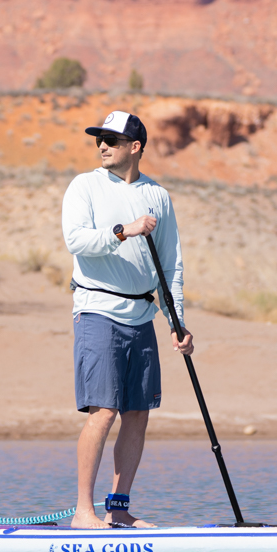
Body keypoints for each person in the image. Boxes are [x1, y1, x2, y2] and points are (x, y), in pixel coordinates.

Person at [62, 110, 194, 530]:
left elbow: (171, 264)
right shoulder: (84, 186)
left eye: (112, 140)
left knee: (137, 413)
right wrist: (125, 230)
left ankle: (117, 508)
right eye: (99, 139)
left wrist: (178, 321)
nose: (103, 145)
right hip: (97, 309)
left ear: (135, 147)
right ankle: (84, 513)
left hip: (142, 316)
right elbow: (77, 241)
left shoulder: (159, 195)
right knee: (103, 410)